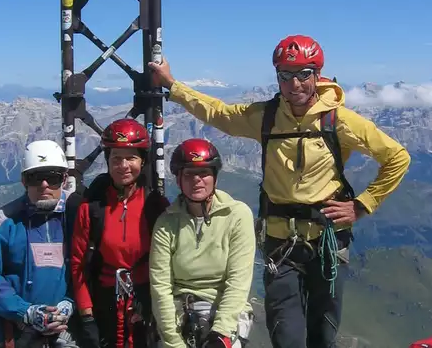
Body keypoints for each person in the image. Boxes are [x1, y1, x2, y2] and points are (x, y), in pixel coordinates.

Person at [148, 34, 412, 348]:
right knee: (287, 338)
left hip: (326, 243)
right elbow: (218, 113)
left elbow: (397, 157)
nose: (295, 84)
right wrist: (172, 85)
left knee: (323, 335)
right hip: (280, 246)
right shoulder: (268, 118)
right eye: (286, 75)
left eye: (303, 74)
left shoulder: (338, 120)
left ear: (317, 75)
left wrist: (361, 206)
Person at [70, 118, 169, 348]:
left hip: (147, 302)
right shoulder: (92, 208)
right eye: (116, 158)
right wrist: (87, 317)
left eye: (131, 158)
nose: (123, 165)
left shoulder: (155, 206)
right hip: (105, 305)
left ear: (142, 161)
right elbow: (78, 264)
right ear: (107, 161)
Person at [149, 138, 256, 348]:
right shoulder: (166, 223)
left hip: (225, 311)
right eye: (188, 174)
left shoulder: (237, 215)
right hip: (179, 312)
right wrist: (173, 343)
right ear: (178, 179)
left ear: (215, 177)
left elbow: (238, 282)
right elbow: (161, 287)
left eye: (204, 173)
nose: (197, 180)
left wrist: (221, 333)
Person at [0, 140, 81, 348]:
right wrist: (26, 312)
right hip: (16, 332)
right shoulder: (3, 221)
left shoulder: (79, 214)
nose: (44, 186)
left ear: (64, 179)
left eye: (52, 178)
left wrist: (71, 303)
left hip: (70, 332)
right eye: (35, 178)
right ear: (24, 181)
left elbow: (92, 268)